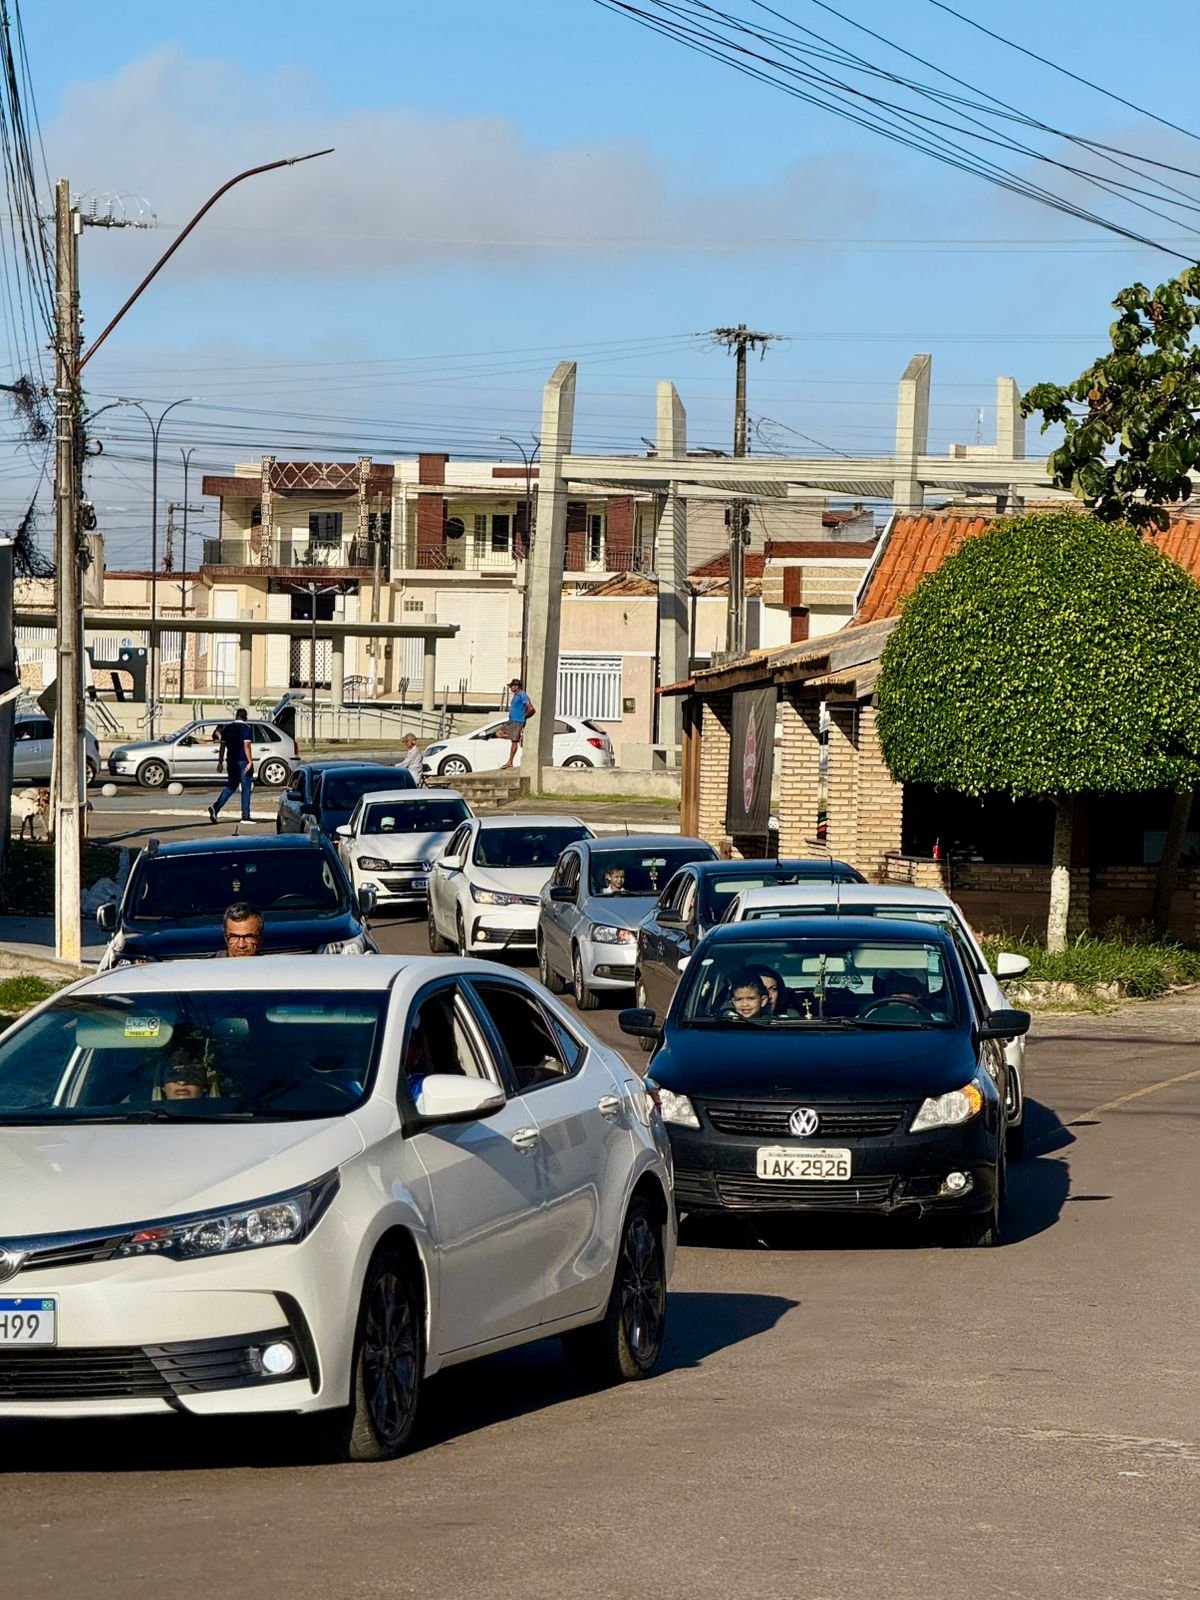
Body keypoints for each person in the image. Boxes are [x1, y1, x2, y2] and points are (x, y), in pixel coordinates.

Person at [208, 708, 255, 824]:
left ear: (236, 716)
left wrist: (220, 762)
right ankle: (245, 816)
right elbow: (246, 745)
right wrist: (250, 761)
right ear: (245, 717)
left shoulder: (227, 728)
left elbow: (222, 746)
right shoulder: (246, 728)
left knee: (231, 786)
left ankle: (216, 807)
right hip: (243, 760)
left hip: (231, 761)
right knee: (246, 788)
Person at [501, 677, 535, 770]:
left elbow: (531, 708)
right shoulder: (516, 695)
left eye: (511, 686)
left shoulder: (522, 694)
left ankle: (510, 762)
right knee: (499, 733)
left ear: (516, 686)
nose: (510, 688)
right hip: (511, 721)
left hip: (517, 721)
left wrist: (523, 716)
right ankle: (517, 737)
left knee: (514, 742)